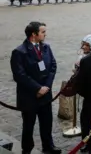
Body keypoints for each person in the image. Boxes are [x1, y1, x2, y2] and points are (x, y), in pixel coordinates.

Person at [10, 22, 61, 154]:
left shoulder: (46, 47)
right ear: (34, 34)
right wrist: (37, 88)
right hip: (29, 96)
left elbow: (53, 67)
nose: (45, 34)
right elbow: (19, 75)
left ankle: (48, 146)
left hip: (45, 94)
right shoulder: (19, 52)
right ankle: (27, 149)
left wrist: (47, 87)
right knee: (28, 125)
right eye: (43, 32)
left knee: (47, 122)